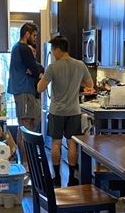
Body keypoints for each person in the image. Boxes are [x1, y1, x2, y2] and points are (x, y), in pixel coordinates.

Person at [37, 35, 93, 187]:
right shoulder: (80, 65)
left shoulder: (53, 67)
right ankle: (72, 178)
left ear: (58, 49)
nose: (53, 54)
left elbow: (40, 88)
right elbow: (90, 84)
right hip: (74, 111)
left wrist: (42, 77)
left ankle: (56, 177)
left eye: (53, 50)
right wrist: (76, 83)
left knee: (56, 143)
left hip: (57, 111)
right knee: (72, 143)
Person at [7, 22, 42, 159]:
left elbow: (34, 68)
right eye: (34, 35)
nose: (35, 38)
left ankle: (25, 161)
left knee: (24, 125)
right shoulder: (23, 48)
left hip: (21, 90)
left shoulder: (17, 48)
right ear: (27, 34)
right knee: (27, 126)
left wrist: (34, 70)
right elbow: (34, 69)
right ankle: (27, 162)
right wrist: (35, 72)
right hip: (24, 90)